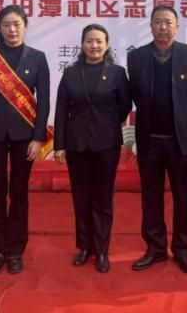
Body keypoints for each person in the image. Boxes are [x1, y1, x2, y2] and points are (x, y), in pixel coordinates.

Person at [0, 4, 50, 275]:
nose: (12, 30)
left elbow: (44, 102)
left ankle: (15, 250)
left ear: (25, 26)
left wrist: (38, 138)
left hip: (24, 136)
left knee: (19, 192)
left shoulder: (37, 58)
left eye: (17, 24)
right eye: (6, 25)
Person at [127, 4, 187, 274]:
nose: (163, 27)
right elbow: (135, 95)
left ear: (177, 27)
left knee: (183, 196)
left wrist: (180, 118)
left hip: (179, 140)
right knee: (151, 196)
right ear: (150, 26)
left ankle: (183, 249)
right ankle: (155, 248)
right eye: (157, 22)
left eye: (168, 22)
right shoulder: (136, 57)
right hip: (149, 139)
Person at [54, 24, 132, 273]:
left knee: (103, 198)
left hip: (106, 144)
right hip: (76, 145)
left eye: (99, 41)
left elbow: (124, 106)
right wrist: (59, 145)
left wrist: (106, 124)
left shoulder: (117, 73)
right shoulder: (70, 73)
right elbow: (61, 110)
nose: (94, 45)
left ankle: (101, 249)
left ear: (107, 45)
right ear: (82, 44)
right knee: (81, 197)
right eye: (89, 41)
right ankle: (84, 246)